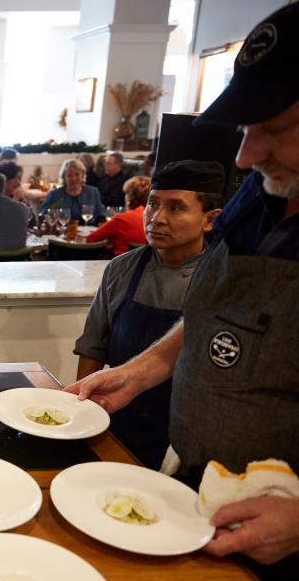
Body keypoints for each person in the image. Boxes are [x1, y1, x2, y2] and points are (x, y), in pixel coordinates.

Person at [67, 3, 299, 581]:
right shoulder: (262, 195)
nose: (247, 155)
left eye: (272, 127)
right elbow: (216, 314)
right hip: (199, 491)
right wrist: (139, 372)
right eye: (244, 129)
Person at [74, 161, 224, 468]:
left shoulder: (222, 279)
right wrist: (81, 418)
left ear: (209, 219)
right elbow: (93, 345)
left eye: (176, 208)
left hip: (180, 437)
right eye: (152, 204)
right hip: (114, 420)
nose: (157, 218)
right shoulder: (120, 269)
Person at [86, 176, 151, 256]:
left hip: (120, 264)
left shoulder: (122, 218)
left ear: (129, 197)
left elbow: (91, 239)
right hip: (145, 264)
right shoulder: (152, 217)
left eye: (126, 193)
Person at [40, 158, 106, 224]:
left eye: (77, 174)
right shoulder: (54, 195)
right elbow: (43, 215)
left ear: (83, 175)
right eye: (69, 175)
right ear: (64, 178)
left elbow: (101, 215)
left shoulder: (93, 192)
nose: (73, 178)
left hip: (89, 232)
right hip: (62, 232)